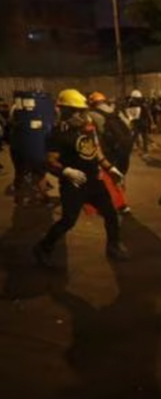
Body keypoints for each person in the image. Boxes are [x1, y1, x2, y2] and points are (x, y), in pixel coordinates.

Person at [33, 89, 129, 266]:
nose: (81, 115)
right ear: (65, 111)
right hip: (74, 184)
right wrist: (65, 171)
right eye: (76, 111)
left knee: (111, 214)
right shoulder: (58, 133)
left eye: (82, 111)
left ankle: (113, 246)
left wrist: (110, 168)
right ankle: (43, 247)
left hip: (94, 181)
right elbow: (50, 161)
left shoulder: (88, 127)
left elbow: (95, 151)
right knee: (68, 221)